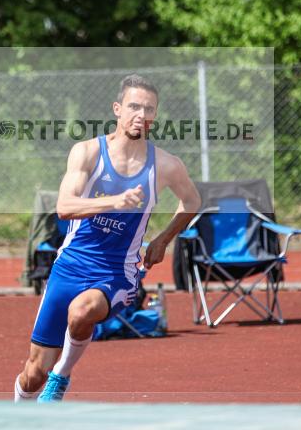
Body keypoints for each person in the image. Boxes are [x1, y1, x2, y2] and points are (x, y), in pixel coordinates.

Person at [14, 74, 201, 403]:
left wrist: (163, 239)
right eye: (133, 106)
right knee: (32, 374)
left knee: (82, 311)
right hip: (69, 266)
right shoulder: (87, 153)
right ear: (117, 109)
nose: (141, 115)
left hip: (117, 272)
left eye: (149, 109)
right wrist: (114, 202)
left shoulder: (167, 165)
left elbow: (193, 202)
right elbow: (64, 207)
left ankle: (62, 376)